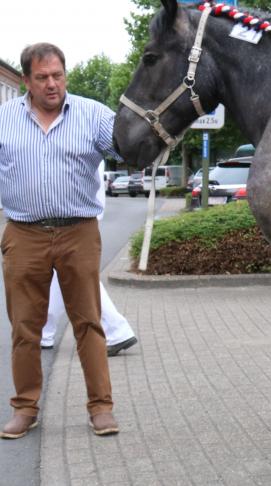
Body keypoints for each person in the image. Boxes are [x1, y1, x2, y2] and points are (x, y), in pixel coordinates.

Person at [0, 43, 119, 439]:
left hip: (78, 233)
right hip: (24, 234)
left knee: (89, 322)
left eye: (58, 75)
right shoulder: (3, 119)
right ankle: (25, 408)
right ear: (25, 81)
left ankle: (101, 408)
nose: (52, 84)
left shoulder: (94, 115)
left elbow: (128, 147)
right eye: (42, 77)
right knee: (24, 327)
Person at [41, 161, 138, 357]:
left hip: (72, 216)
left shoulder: (78, 133)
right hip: (75, 213)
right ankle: (44, 331)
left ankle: (117, 330)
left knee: (81, 276)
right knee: (62, 274)